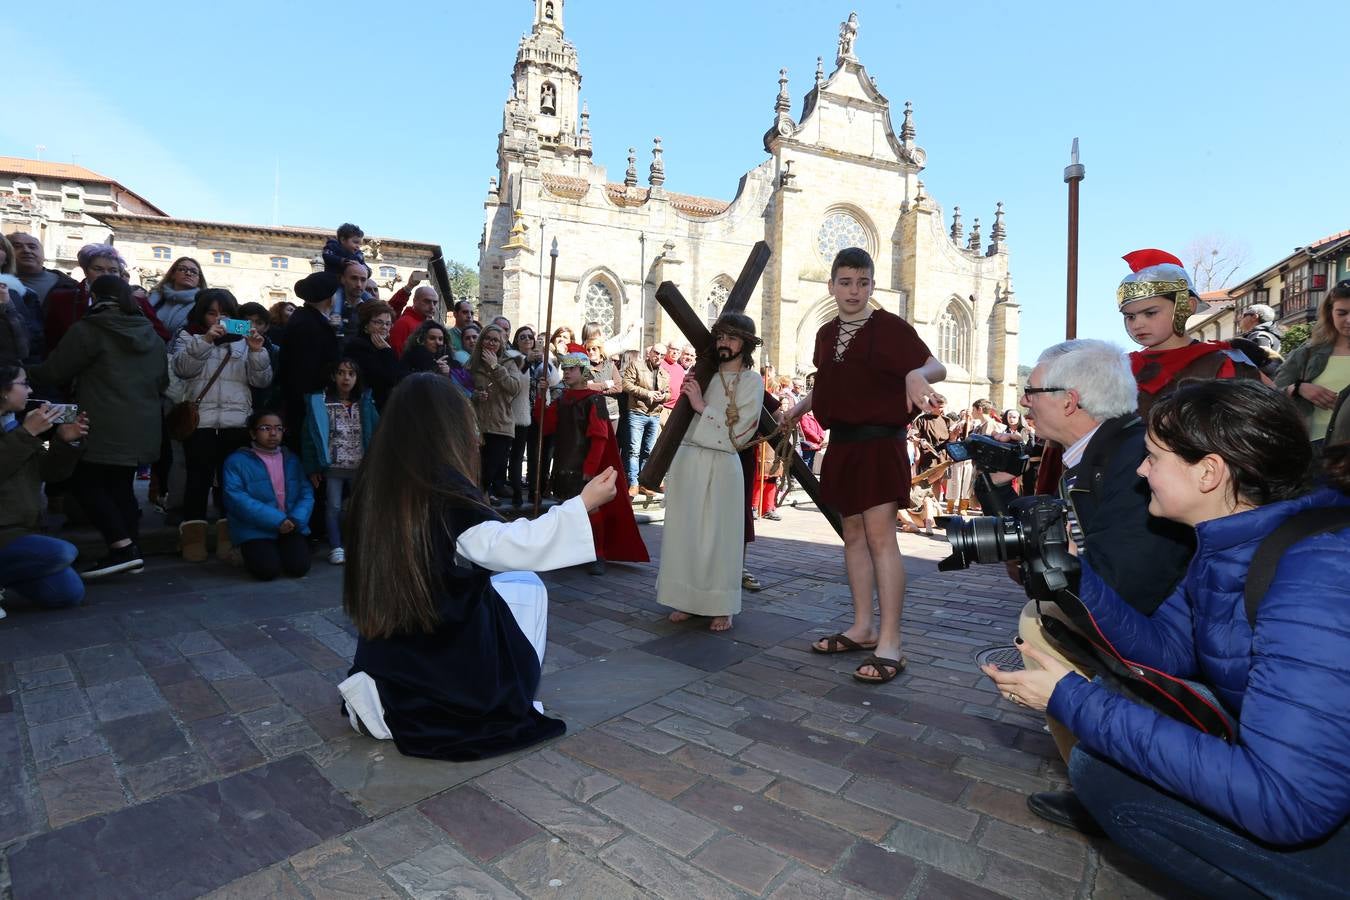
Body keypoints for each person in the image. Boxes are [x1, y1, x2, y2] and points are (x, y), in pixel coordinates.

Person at [985, 379, 1350, 897]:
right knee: (1125, 711)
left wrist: (1068, 697)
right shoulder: (1230, 539)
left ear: (1209, 472)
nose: (1139, 470)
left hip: (1303, 804)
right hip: (1301, 780)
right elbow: (1170, 650)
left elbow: (1288, 802)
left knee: (1105, 773)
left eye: (1153, 457)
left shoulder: (1315, 576)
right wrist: (1074, 574)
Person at [338, 374, 620, 760]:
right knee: (524, 583)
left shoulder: (376, 483)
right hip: (436, 667)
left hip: (389, 649)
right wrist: (581, 505)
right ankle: (499, 694)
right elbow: (510, 547)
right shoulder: (443, 492)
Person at [1014, 340, 1197, 836]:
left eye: (1031, 391)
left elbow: (1125, 582)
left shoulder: (1131, 460)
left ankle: (1107, 788)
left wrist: (1050, 566)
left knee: (1042, 620)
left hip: (1168, 630)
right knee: (1043, 610)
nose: (1024, 400)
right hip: (1162, 613)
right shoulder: (1106, 451)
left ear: (1069, 400)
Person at [788, 247, 946, 684]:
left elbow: (936, 365)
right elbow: (828, 387)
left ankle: (891, 643)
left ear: (872, 286)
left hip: (880, 445)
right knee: (852, 537)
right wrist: (794, 410)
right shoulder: (824, 333)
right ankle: (862, 627)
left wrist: (917, 377)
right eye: (845, 282)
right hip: (843, 447)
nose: (854, 290)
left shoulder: (890, 328)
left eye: (862, 282)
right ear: (832, 286)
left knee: (881, 539)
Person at [29, 276, 168, 579]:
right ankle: (131, 553)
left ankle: (123, 549)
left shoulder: (89, 329)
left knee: (83, 481)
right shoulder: (151, 334)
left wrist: (19, 371)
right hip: (143, 422)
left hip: (102, 422)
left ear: (95, 297)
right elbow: (163, 381)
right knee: (121, 487)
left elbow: (55, 371)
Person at [658, 315, 764, 630]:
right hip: (688, 459)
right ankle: (689, 600)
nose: (724, 343)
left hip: (722, 462)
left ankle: (721, 604)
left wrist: (702, 405)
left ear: (745, 344)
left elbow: (742, 432)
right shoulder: (703, 374)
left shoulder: (751, 382)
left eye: (731, 338)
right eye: (720, 337)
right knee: (685, 533)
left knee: (720, 537)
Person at [170, 288, 273, 562]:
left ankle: (231, 538)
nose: (218, 319)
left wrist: (257, 352)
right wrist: (204, 340)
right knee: (197, 481)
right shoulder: (187, 336)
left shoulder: (243, 341)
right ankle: (193, 539)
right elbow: (182, 370)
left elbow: (261, 381)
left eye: (224, 314)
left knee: (232, 484)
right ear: (202, 314)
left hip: (236, 422)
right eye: (212, 313)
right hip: (200, 422)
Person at [1117, 248, 1263, 416]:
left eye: (1150, 313)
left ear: (1187, 306)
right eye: (1130, 316)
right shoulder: (1119, 367)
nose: (1137, 324)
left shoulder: (1225, 363)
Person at [546, 349, 649, 575]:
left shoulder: (595, 400)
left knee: (591, 510)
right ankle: (571, 551)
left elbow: (600, 438)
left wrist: (590, 469)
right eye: (564, 368)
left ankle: (598, 553)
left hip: (585, 466)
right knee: (568, 509)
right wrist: (540, 396)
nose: (566, 372)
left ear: (583, 372)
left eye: (571, 368)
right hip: (564, 463)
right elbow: (546, 426)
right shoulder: (561, 399)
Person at [0, 361, 88, 614]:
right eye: (24, 384)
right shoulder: (22, 429)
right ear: (3, 389)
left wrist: (63, 442)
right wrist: (27, 434)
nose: (29, 391)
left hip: (23, 530)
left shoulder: (14, 424)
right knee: (63, 551)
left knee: (68, 593)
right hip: (4, 533)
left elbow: (48, 470)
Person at [222, 411, 313, 581]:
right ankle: (242, 550)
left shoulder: (291, 459)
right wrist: (277, 520)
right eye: (265, 428)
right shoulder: (236, 461)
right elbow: (236, 499)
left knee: (299, 567)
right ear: (252, 433)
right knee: (267, 571)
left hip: (290, 524)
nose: (273, 433)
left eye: (278, 428)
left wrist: (295, 519)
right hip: (255, 529)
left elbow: (306, 493)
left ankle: (280, 549)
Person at [302, 360, 378, 565]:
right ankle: (336, 546)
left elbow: (377, 431)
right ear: (333, 376)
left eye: (351, 374)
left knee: (360, 506)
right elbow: (310, 437)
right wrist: (312, 468)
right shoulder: (321, 402)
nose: (346, 378)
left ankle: (357, 544)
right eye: (341, 373)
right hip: (333, 467)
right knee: (333, 507)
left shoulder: (365, 401)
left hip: (359, 466)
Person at [43, 244, 170, 350]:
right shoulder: (63, 299)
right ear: (86, 271)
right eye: (98, 269)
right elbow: (51, 341)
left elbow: (160, 336)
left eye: (113, 270)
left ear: (120, 274)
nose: (106, 275)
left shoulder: (138, 302)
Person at [1274, 279, 1350, 454]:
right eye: (1342, 313)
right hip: (1316, 450)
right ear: (1330, 313)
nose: (1349, 320)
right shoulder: (1306, 353)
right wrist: (1298, 388)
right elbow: (1272, 394)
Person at [277, 271, 343, 450]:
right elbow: (306, 371)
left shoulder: (308, 320)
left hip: (305, 402)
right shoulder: (309, 325)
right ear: (330, 297)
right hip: (308, 406)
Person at [471, 324, 526, 501]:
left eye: (495, 340)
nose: (491, 343)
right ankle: (481, 503)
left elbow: (514, 388)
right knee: (477, 472)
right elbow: (463, 389)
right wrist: (476, 395)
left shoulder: (509, 363)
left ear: (502, 343)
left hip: (500, 425)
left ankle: (483, 501)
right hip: (477, 424)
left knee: (489, 472)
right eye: (487, 338)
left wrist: (496, 367)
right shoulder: (472, 363)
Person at [7, 232, 77, 360]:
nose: (26, 250)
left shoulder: (71, 286)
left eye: (32, 247)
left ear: (43, 254)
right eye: (17, 246)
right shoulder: (3, 285)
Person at [506, 326, 550, 506]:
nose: (527, 340)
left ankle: (534, 490)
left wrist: (544, 363)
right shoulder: (511, 357)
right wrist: (527, 361)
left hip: (537, 410)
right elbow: (513, 379)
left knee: (535, 454)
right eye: (522, 337)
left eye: (530, 337)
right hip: (519, 411)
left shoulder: (541, 359)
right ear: (516, 340)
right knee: (517, 454)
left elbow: (553, 379)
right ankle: (517, 491)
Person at [620, 344, 670, 495]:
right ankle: (633, 483)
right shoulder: (636, 365)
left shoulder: (664, 373)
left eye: (662, 355)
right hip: (637, 412)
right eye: (656, 353)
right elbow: (625, 385)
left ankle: (643, 482)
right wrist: (647, 393)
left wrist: (663, 397)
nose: (659, 357)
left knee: (648, 451)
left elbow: (669, 392)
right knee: (633, 450)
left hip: (654, 414)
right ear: (650, 352)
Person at [343, 301, 405, 410]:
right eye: (378, 322)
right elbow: (387, 379)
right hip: (365, 407)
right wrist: (387, 351)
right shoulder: (358, 346)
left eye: (388, 323)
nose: (384, 327)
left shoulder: (382, 346)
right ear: (366, 325)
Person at [148, 257, 206, 338]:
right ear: (173, 274)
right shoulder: (154, 298)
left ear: (199, 280)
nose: (188, 273)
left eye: (194, 272)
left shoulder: (204, 304)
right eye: (182, 269)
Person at [390, 284, 436, 356]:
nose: (432, 307)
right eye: (427, 301)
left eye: (435, 303)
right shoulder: (403, 323)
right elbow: (396, 354)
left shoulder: (430, 325)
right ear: (415, 301)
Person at [658, 342, 686, 425]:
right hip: (662, 408)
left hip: (676, 410)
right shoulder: (660, 364)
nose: (675, 352)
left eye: (678, 350)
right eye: (673, 349)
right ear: (667, 349)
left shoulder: (680, 369)